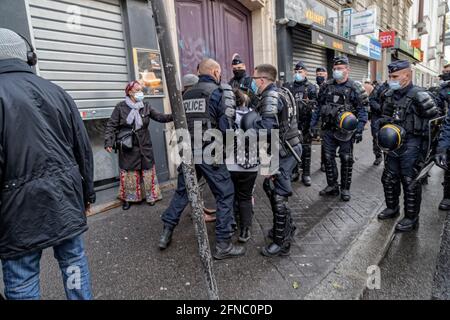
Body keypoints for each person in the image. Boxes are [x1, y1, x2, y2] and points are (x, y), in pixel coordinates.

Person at [0, 28, 95, 300]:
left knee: (22, 280)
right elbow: (82, 150)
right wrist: (87, 194)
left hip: (15, 211)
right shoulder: (57, 91)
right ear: (30, 57)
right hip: (65, 200)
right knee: (74, 265)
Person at [159, 58, 245, 260]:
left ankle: (166, 233)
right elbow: (226, 127)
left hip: (188, 149)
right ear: (215, 72)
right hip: (210, 151)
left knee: (183, 192)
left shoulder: (187, 93)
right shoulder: (219, 92)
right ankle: (223, 244)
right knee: (225, 194)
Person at [376, 60, 440, 232]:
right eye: (390, 76)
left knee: (410, 181)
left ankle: (411, 218)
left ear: (407, 75)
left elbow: (435, 123)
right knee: (389, 178)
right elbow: (385, 118)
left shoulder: (420, 95)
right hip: (393, 145)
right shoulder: (389, 95)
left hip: (413, 144)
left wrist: (430, 152)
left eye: (395, 76)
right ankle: (392, 208)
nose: (391, 79)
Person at [249, 64, 302, 257]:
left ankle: (282, 242)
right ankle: (286, 227)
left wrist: (245, 131)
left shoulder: (271, 97)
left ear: (262, 80)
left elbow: (266, 128)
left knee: (279, 194)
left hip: (284, 151)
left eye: (255, 79)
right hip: (285, 147)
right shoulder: (283, 91)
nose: (253, 83)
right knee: (270, 187)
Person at [104, 81, 173, 210]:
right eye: (137, 90)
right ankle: (128, 199)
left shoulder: (145, 106)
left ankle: (151, 196)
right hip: (128, 144)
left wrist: (176, 114)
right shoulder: (120, 107)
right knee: (129, 172)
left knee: (147, 171)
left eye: (141, 90)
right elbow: (111, 125)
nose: (140, 93)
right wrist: (108, 141)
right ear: (130, 92)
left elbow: (160, 117)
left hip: (144, 144)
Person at [311, 56, 369, 202]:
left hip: (346, 132)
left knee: (346, 159)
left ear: (347, 70)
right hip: (328, 129)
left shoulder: (355, 87)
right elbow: (318, 107)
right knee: (328, 159)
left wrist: (360, 129)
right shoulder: (326, 86)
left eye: (340, 68)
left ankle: (345, 189)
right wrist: (314, 125)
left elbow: (363, 110)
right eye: (335, 69)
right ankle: (332, 186)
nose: (337, 71)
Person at [226, 89, 259, 243]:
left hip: (231, 164)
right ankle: (245, 229)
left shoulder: (226, 118)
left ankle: (231, 225)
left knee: (230, 196)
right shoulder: (256, 116)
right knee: (245, 197)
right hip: (251, 165)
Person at [284, 61, 318, 186]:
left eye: (300, 72)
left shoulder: (311, 87)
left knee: (306, 149)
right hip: (292, 124)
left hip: (306, 123)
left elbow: (316, 106)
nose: (298, 74)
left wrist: (313, 126)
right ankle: (295, 172)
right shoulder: (289, 86)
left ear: (305, 73)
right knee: (292, 149)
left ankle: (306, 174)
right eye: (296, 72)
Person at [435, 63, 450, 211]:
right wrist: (441, 148)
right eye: (444, 71)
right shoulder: (444, 89)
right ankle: (447, 196)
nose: (445, 74)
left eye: (448, 72)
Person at [369, 81, 390, 166]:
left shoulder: (398, 88)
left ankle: (387, 158)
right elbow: (371, 99)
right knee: (376, 136)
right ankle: (378, 156)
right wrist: (380, 109)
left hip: (389, 118)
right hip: (377, 116)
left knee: (388, 138)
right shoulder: (380, 87)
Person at [316, 67, 329, 173]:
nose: (319, 76)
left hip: (326, 118)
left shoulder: (329, 86)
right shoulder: (313, 87)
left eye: (321, 74)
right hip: (317, 116)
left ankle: (324, 163)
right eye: (318, 74)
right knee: (320, 141)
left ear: (326, 74)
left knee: (325, 142)